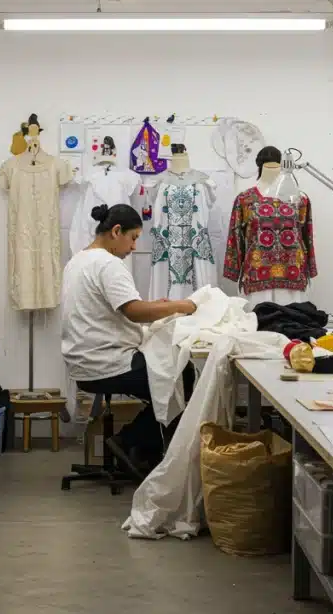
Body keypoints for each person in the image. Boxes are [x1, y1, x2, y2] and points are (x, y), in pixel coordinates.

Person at [61, 203, 199, 477]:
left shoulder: (78, 261)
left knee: (172, 376)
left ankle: (139, 448)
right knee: (184, 378)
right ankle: (130, 444)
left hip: (84, 361)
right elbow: (134, 312)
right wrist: (182, 306)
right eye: (133, 238)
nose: (134, 247)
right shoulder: (108, 264)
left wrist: (155, 305)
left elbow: (112, 308)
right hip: (107, 363)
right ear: (116, 231)